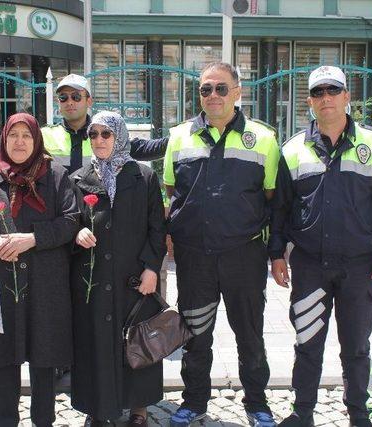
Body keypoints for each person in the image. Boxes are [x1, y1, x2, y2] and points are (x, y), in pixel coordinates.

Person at [269, 66, 372, 427]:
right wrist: (276, 254)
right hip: (310, 264)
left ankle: (360, 414)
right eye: (318, 92)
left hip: (359, 266)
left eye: (333, 90)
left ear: (347, 97)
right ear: (310, 101)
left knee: (357, 347)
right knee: (307, 342)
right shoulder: (293, 149)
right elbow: (280, 208)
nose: (325, 98)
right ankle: (303, 412)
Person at [162, 62, 279, 427]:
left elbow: (273, 199)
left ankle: (257, 403)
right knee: (196, 335)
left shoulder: (263, 138)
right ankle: (194, 401)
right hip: (194, 257)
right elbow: (171, 192)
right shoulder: (179, 136)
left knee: (250, 334)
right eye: (205, 89)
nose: (213, 95)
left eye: (221, 88)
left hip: (244, 255)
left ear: (238, 92)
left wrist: (275, 255)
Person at [0, 112, 79, 426]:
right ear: (3, 139)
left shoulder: (55, 175)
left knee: (44, 363)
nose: (19, 142)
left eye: (26, 135)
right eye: (13, 135)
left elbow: (70, 222)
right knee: (1, 361)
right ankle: (6, 421)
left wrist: (32, 239)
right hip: (1, 286)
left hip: (46, 284)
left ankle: (43, 420)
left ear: (36, 140)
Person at [69, 111, 167, 427]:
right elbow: (69, 222)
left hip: (135, 279)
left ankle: (139, 407)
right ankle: (98, 408)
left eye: (105, 134)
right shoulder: (78, 178)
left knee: (137, 342)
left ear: (119, 136)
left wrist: (153, 268)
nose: (98, 140)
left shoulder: (144, 177)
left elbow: (157, 227)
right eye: (93, 135)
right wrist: (76, 234)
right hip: (93, 280)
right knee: (96, 342)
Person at [41, 73, 168, 172]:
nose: (69, 102)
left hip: (96, 204)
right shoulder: (44, 136)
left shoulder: (106, 133)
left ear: (89, 101)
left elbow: (144, 149)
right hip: (60, 205)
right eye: (63, 97)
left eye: (76, 97)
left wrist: (176, 137)